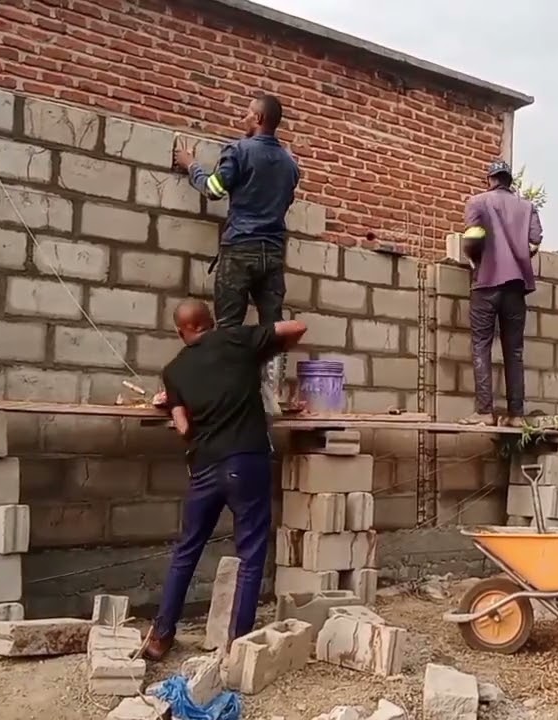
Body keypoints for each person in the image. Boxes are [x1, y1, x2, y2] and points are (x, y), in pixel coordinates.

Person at [145, 299, 308, 659]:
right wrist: (268, 349)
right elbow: (296, 328)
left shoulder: (174, 370)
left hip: (205, 466)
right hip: (246, 460)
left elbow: (185, 428)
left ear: (180, 331)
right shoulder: (236, 339)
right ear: (212, 322)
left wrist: (176, 405)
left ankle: (161, 635)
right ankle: (238, 644)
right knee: (250, 554)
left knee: (186, 550)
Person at [173, 93, 300, 414]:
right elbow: (285, 202)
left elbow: (215, 189)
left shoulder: (240, 151)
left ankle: (228, 397)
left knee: (229, 328)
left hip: (241, 247)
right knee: (273, 327)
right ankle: (270, 398)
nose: (243, 119)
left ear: (258, 119)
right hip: (272, 253)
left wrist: (191, 166)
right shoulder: (290, 164)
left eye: (247, 114)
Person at [459, 160, 543, 426]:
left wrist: (476, 260)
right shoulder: (527, 207)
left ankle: (485, 411)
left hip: (486, 282)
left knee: (481, 345)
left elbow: (472, 237)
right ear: (509, 180)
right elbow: (535, 241)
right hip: (516, 286)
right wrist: (519, 254)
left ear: (490, 179)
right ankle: (516, 415)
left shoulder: (477, 202)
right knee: (514, 350)